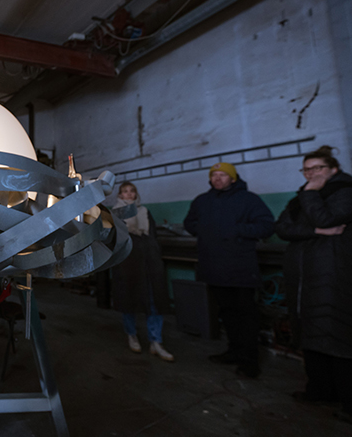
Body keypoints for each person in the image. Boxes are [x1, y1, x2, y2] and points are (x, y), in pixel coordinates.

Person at [274, 146, 352, 422]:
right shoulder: (299, 199)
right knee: (310, 334)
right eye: (307, 170)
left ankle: (348, 401)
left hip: (334, 275)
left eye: (317, 168)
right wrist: (317, 232)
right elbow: (282, 228)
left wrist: (311, 194)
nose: (311, 174)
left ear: (334, 169)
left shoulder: (345, 190)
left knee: (338, 336)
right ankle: (319, 390)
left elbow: (327, 217)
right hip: (303, 277)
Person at [184, 162, 274, 378]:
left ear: (233, 178)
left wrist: (235, 230)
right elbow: (189, 223)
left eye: (223, 175)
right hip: (213, 267)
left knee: (246, 316)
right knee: (227, 313)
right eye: (214, 175)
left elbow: (267, 226)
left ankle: (250, 361)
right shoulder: (202, 201)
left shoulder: (249, 199)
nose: (218, 178)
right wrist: (205, 231)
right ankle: (234, 351)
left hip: (240, 268)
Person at [111, 182, 173, 361]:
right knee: (129, 299)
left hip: (149, 261)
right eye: (124, 192)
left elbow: (152, 234)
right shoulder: (116, 213)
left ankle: (156, 341)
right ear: (120, 195)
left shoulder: (145, 211)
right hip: (128, 262)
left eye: (131, 191)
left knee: (154, 300)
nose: (129, 194)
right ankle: (131, 335)